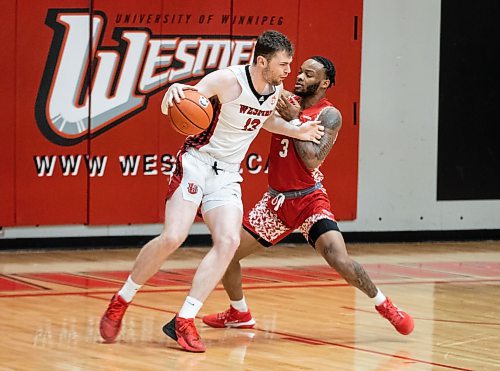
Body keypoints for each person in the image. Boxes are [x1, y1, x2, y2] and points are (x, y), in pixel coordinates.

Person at [99, 30, 325, 353]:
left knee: (229, 241)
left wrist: (295, 129)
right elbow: (180, 103)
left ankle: (184, 319)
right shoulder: (226, 81)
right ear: (262, 62)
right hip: (196, 162)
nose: (289, 71)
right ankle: (121, 300)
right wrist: (174, 93)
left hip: (227, 174)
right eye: (283, 65)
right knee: (173, 237)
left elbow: (262, 121)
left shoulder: (274, 91)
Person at [202, 56, 414, 336]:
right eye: (299, 71)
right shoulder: (283, 99)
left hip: (308, 200)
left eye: (309, 74)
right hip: (275, 203)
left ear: (324, 83)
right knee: (226, 253)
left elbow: (312, 160)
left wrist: (296, 121)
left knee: (338, 257)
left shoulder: (329, 115)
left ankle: (384, 305)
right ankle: (239, 312)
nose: (300, 77)